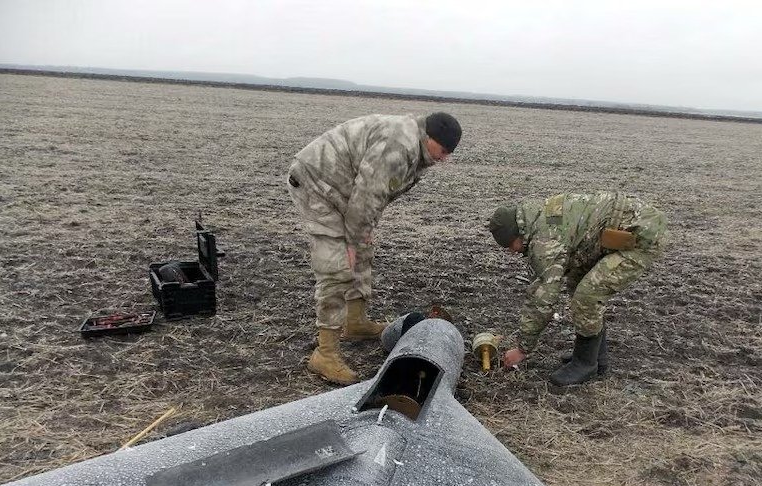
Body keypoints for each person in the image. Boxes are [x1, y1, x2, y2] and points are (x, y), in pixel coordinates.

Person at [286, 111, 462, 385]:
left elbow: (374, 197)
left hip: (344, 189)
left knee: (362, 250)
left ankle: (355, 322)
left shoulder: (414, 148)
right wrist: (354, 240)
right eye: (443, 150)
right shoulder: (398, 146)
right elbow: (368, 196)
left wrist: (361, 236)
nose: (444, 158)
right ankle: (325, 353)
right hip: (318, 185)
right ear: (429, 137)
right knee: (337, 265)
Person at [487, 191, 667, 387]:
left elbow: (542, 298)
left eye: (510, 246)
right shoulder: (536, 218)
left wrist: (522, 349)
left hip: (640, 236)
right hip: (613, 234)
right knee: (578, 285)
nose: (512, 252)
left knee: (587, 296)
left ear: (517, 234)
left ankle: (585, 363)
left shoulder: (544, 240)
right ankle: (598, 358)